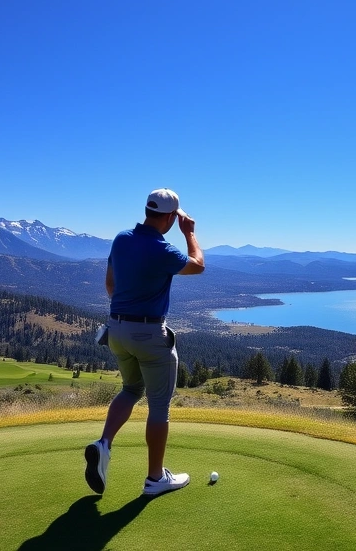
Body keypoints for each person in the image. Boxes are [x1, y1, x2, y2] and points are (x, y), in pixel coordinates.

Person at [84, 188, 204, 496]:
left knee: (131, 388)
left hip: (116, 329)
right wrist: (189, 233)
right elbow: (197, 265)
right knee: (159, 406)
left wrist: (128, 306)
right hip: (149, 334)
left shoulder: (121, 239)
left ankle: (104, 445)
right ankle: (155, 479)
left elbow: (110, 284)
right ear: (169, 217)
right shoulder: (163, 250)